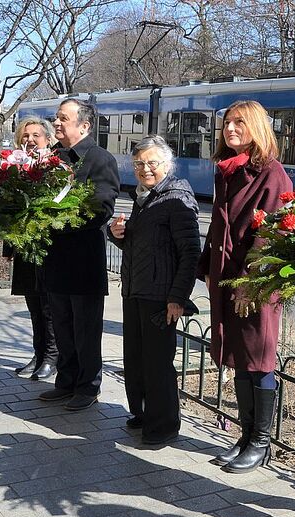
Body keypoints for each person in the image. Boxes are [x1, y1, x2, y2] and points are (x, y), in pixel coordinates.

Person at [198, 100, 292, 473]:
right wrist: (207, 267)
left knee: (258, 360)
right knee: (238, 358)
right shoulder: (228, 170)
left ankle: (261, 441)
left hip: (256, 285)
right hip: (228, 279)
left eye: (240, 122)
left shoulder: (271, 173)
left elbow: (270, 235)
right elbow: (219, 227)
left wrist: (248, 285)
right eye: (227, 122)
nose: (230, 128)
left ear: (257, 126)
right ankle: (245, 434)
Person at [109, 136, 200, 444]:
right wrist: (118, 235)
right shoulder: (143, 196)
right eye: (138, 164)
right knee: (134, 358)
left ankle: (163, 426)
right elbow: (141, 244)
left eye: (152, 163)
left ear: (167, 165)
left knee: (158, 363)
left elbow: (190, 253)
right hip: (136, 288)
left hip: (160, 295)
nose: (145, 169)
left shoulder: (177, 197)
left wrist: (177, 298)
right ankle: (142, 412)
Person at [38, 99, 120, 411]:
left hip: (84, 260)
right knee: (62, 325)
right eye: (55, 118)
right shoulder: (53, 158)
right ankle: (66, 381)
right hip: (56, 259)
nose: (56, 124)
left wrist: (56, 219)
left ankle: (88, 386)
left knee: (86, 330)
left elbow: (101, 210)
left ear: (83, 126)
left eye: (63, 119)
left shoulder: (100, 160)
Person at [3, 118, 59, 381]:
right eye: (25, 136)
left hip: (49, 248)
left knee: (49, 307)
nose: (31, 140)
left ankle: (52, 356)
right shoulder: (15, 167)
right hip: (25, 247)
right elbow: (10, 210)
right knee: (34, 306)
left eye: (36, 135)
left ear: (48, 138)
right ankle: (38, 354)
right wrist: (9, 245)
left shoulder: (56, 166)